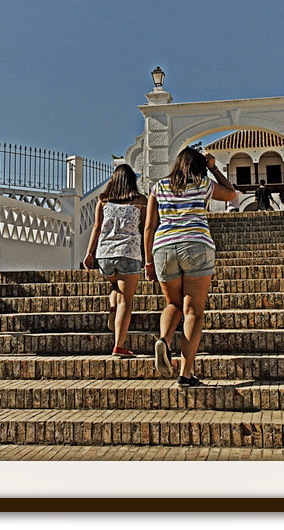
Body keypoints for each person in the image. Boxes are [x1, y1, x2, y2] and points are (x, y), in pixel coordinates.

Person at [143, 147, 237, 387]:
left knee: (173, 304)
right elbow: (231, 194)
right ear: (199, 166)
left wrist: (148, 261)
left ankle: (163, 339)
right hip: (196, 244)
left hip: (163, 248)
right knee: (193, 310)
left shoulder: (159, 187)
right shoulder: (203, 184)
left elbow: (149, 228)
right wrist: (213, 167)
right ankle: (185, 374)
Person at [83, 164, 148, 358]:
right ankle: (119, 345)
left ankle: (113, 305)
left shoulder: (103, 201)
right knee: (126, 302)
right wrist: (148, 257)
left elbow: (96, 227)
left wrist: (89, 253)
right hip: (129, 254)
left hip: (105, 255)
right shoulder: (141, 201)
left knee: (116, 286)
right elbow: (145, 229)